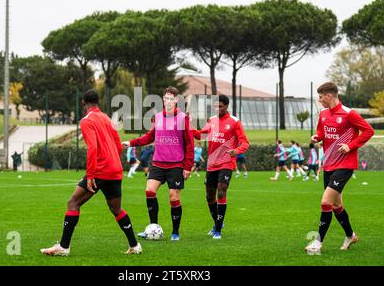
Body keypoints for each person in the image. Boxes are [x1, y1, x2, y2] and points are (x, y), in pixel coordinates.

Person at [41, 89, 142, 256]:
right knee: (116, 209)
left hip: (101, 170)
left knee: (73, 202)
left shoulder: (87, 120)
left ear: (83, 103)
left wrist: (90, 175)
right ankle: (135, 245)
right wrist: (112, 162)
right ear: (98, 102)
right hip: (115, 169)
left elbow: (93, 148)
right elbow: (117, 145)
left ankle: (64, 247)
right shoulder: (107, 119)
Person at [305, 82, 374, 255]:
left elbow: (368, 131)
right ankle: (350, 235)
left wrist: (351, 146)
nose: (319, 100)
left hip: (345, 165)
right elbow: (321, 133)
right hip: (328, 164)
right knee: (336, 205)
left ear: (329, 96)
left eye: (321, 97)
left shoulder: (349, 113)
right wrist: (316, 137)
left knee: (325, 202)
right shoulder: (322, 114)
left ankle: (318, 242)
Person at [123, 86, 194, 241]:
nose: (168, 101)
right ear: (163, 99)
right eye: (166, 98)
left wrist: (188, 166)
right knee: (149, 191)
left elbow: (189, 143)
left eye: (171, 98)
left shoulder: (183, 118)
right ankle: (153, 228)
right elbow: (149, 137)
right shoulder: (158, 117)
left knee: (173, 198)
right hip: (158, 163)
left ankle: (175, 232)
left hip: (176, 165)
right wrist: (131, 142)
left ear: (176, 100)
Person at [193, 95, 249, 239]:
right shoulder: (211, 120)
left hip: (226, 162)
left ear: (226, 106)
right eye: (216, 106)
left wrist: (236, 151)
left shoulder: (235, 122)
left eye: (221, 106)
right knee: (209, 197)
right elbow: (200, 136)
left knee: (221, 191)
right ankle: (218, 222)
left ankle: (217, 230)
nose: (218, 109)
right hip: (212, 163)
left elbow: (245, 143)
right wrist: (188, 126)